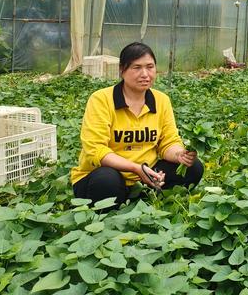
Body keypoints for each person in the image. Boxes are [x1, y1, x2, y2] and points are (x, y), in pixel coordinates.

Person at [71, 42, 204, 206]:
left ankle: (140, 199)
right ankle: (118, 203)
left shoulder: (161, 101)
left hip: (146, 175)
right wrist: (135, 168)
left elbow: (168, 141)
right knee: (106, 180)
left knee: (194, 168)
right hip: (105, 176)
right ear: (122, 70)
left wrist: (179, 154)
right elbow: (96, 150)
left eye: (150, 67)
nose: (145, 74)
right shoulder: (101, 99)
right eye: (136, 67)